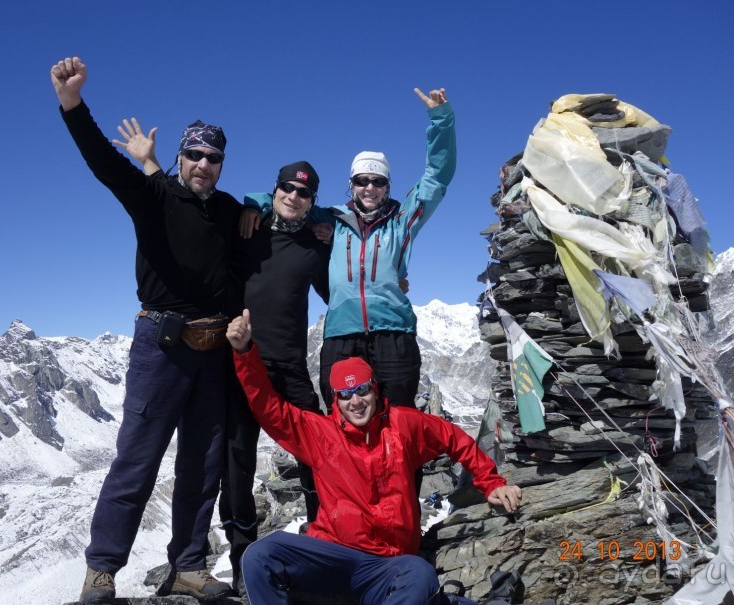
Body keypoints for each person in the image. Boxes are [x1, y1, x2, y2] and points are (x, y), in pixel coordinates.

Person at [50, 56, 237, 603]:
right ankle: (102, 569)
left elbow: (271, 212)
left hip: (213, 350)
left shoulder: (230, 210)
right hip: (161, 345)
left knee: (202, 463)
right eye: (195, 154)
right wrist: (72, 103)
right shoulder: (152, 196)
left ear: (221, 164)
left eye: (213, 158)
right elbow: (103, 162)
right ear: (180, 157)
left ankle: (188, 566)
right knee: (137, 459)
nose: (203, 164)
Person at [115, 120, 330, 595]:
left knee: (318, 455)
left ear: (313, 200)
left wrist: (332, 228)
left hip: (290, 368)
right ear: (274, 190)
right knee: (235, 468)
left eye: (304, 193)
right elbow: (191, 208)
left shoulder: (317, 245)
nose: (294, 196)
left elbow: (338, 291)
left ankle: (327, 543)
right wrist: (253, 204)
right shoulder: (244, 225)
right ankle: (243, 565)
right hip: (242, 363)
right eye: (287, 188)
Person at [226, 310, 521, 605]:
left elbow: (453, 437)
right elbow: (269, 409)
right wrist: (244, 352)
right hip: (333, 558)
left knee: (420, 574)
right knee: (259, 555)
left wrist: (490, 482)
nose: (355, 401)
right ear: (336, 399)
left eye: (362, 389)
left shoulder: (403, 425)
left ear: (375, 389)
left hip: (387, 567)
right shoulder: (319, 434)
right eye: (345, 394)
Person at [243, 87, 456, 414]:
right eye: (361, 181)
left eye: (378, 181)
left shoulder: (402, 220)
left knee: (399, 419)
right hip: (341, 335)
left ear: (387, 185)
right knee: (341, 422)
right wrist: (254, 204)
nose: (369, 188)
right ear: (351, 184)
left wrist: (441, 120)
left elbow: (437, 178)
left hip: (393, 333)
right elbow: (290, 203)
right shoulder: (332, 218)